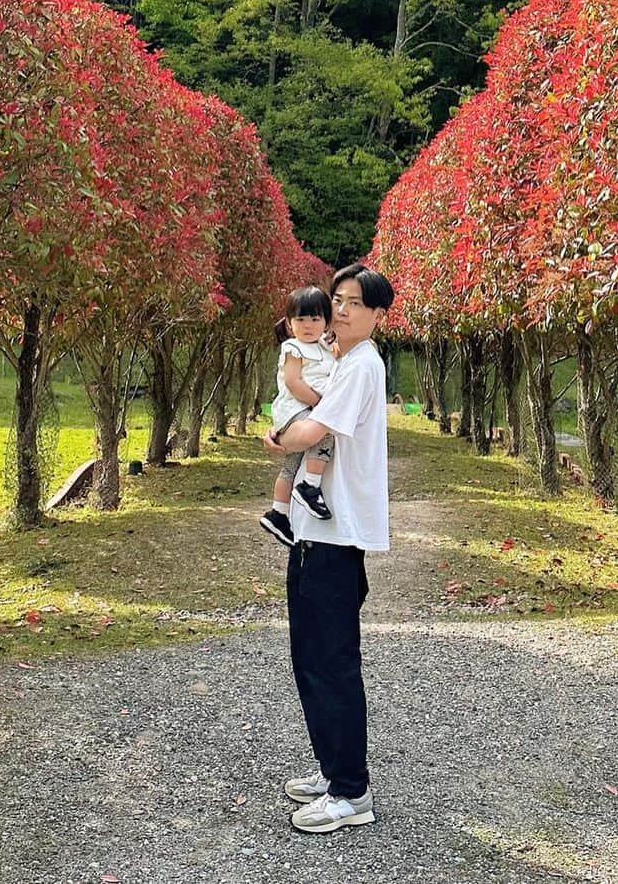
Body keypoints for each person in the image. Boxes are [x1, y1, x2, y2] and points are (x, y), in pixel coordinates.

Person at [262, 261, 394, 835]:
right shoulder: (341, 361)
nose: (340, 310)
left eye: (353, 304)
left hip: (336, 537)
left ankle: (350, 791)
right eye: (336, 300)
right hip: (316, 532)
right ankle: (332, 768)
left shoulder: (361, 367)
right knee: (311, 659)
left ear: (377, 316)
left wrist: (276, 438)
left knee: (331, 663)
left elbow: (311, 433)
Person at [259, 286, 338, 547]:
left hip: (301, 410)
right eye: (301, 319)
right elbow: (293, 383)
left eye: (315, 319)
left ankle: (278, 513)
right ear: (290, 324)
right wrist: (319, 404)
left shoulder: (324, 346)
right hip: (296, 409)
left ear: (326, 321)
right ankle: (310, 486)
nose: (308, 325)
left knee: (290, 465)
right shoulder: (294, 348)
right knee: (324, 435)